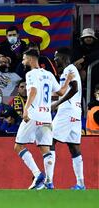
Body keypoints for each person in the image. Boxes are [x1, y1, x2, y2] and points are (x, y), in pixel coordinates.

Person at [14, 49, 74, 190]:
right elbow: (60, 92)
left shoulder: (30, 74)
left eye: (24, 58)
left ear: (30, 58)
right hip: (47, 116)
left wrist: (26, 109)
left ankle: (37, 174)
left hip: (34, 115)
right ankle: (49, 182)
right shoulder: (48, 74)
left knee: (18, 146)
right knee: (45, 149)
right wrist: (68, 81)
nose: (23, 61)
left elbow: (33, 91)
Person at [50, 47, 85, 190]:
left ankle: (48, 181)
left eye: (56, 57)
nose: (55, 60)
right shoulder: (71, 70)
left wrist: (57, 104)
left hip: (67, 111)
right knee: (74, 147)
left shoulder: (68, 70)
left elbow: (74, 88)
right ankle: (81, 184)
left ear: (63, 57)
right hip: (75, 111)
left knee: (49, 141)